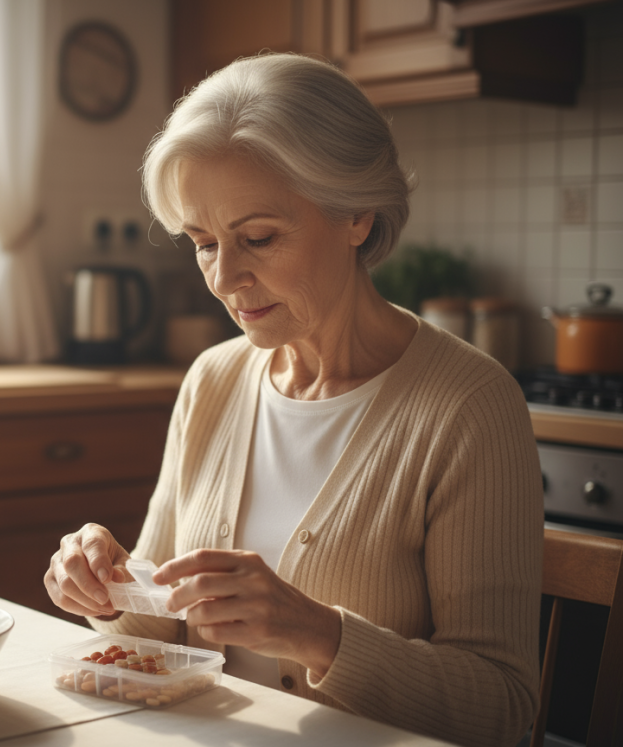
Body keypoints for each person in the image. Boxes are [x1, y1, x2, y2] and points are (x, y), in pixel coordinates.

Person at [44, 53, 543, 747]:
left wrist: (318, 633)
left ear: (357, 215)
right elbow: (156, 626)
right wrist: (104, 585)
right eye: (202, 242)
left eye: (258, 238)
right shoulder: (213, 380)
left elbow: (503, 705)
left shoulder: (468, 406)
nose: (224, 277)